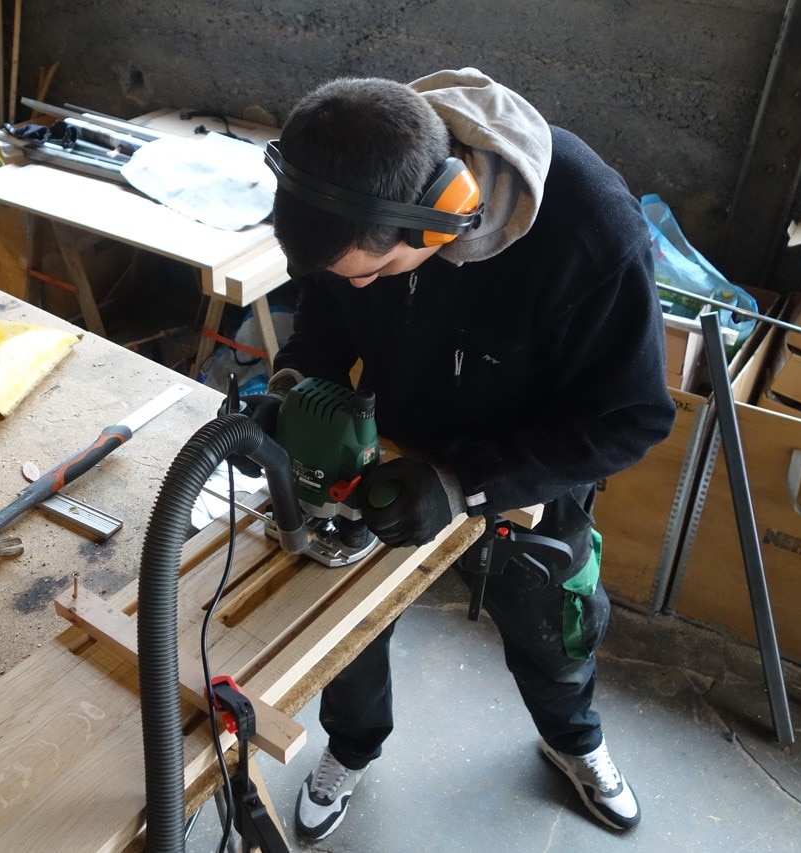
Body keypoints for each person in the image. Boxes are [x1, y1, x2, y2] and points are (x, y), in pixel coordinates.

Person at [252, 68, 677, 840]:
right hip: (390, 443)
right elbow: (328, 310)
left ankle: (573, 737)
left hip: (529, 470)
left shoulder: (588, 230)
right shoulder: (357, 178)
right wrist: (291, 392)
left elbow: (633, 419)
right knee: (348, 620)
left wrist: (463, 482)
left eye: (374, 272)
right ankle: (352, 745)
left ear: (442, 216)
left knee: (553, 620)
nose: (360, 285)